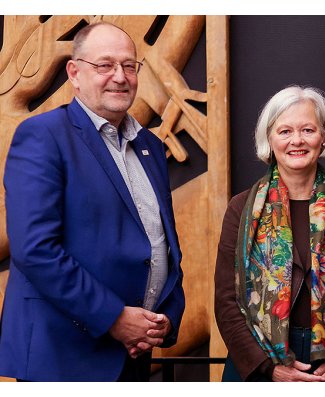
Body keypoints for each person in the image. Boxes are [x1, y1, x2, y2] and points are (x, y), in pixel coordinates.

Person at [0, 22, 185, 381]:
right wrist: (115, 318)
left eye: (129, 66)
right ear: (75, 73)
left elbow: (161, 242)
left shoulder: (149, 146)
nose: (120, 76)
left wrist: (165, 316)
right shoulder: (43, 136)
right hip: (62, 359)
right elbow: (35, 249)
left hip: (132, 356)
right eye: (105, 65)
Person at [214, 86, 325, 382]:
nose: (297, 140)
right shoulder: (242, 208)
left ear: (323, 136)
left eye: (307, 130)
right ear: (270, 138)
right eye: (285, 131)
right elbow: (226, 299)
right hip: (259, 362)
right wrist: (268, 368)